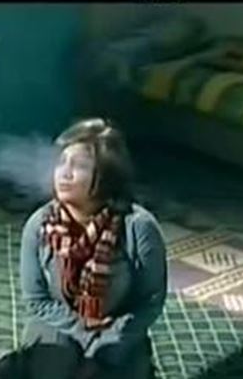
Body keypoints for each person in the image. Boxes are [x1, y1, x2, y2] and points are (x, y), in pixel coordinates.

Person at [17, 118, 167, 379]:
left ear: (107, 174)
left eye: (80, 166)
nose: (65, 173)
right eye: (62, 163)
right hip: (56, 325)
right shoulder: (40, 224)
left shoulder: (138, 226)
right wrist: (83, 332)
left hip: (118, 332)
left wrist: (105, 344)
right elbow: (37, 300)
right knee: (52, 368)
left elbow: (150, 301)